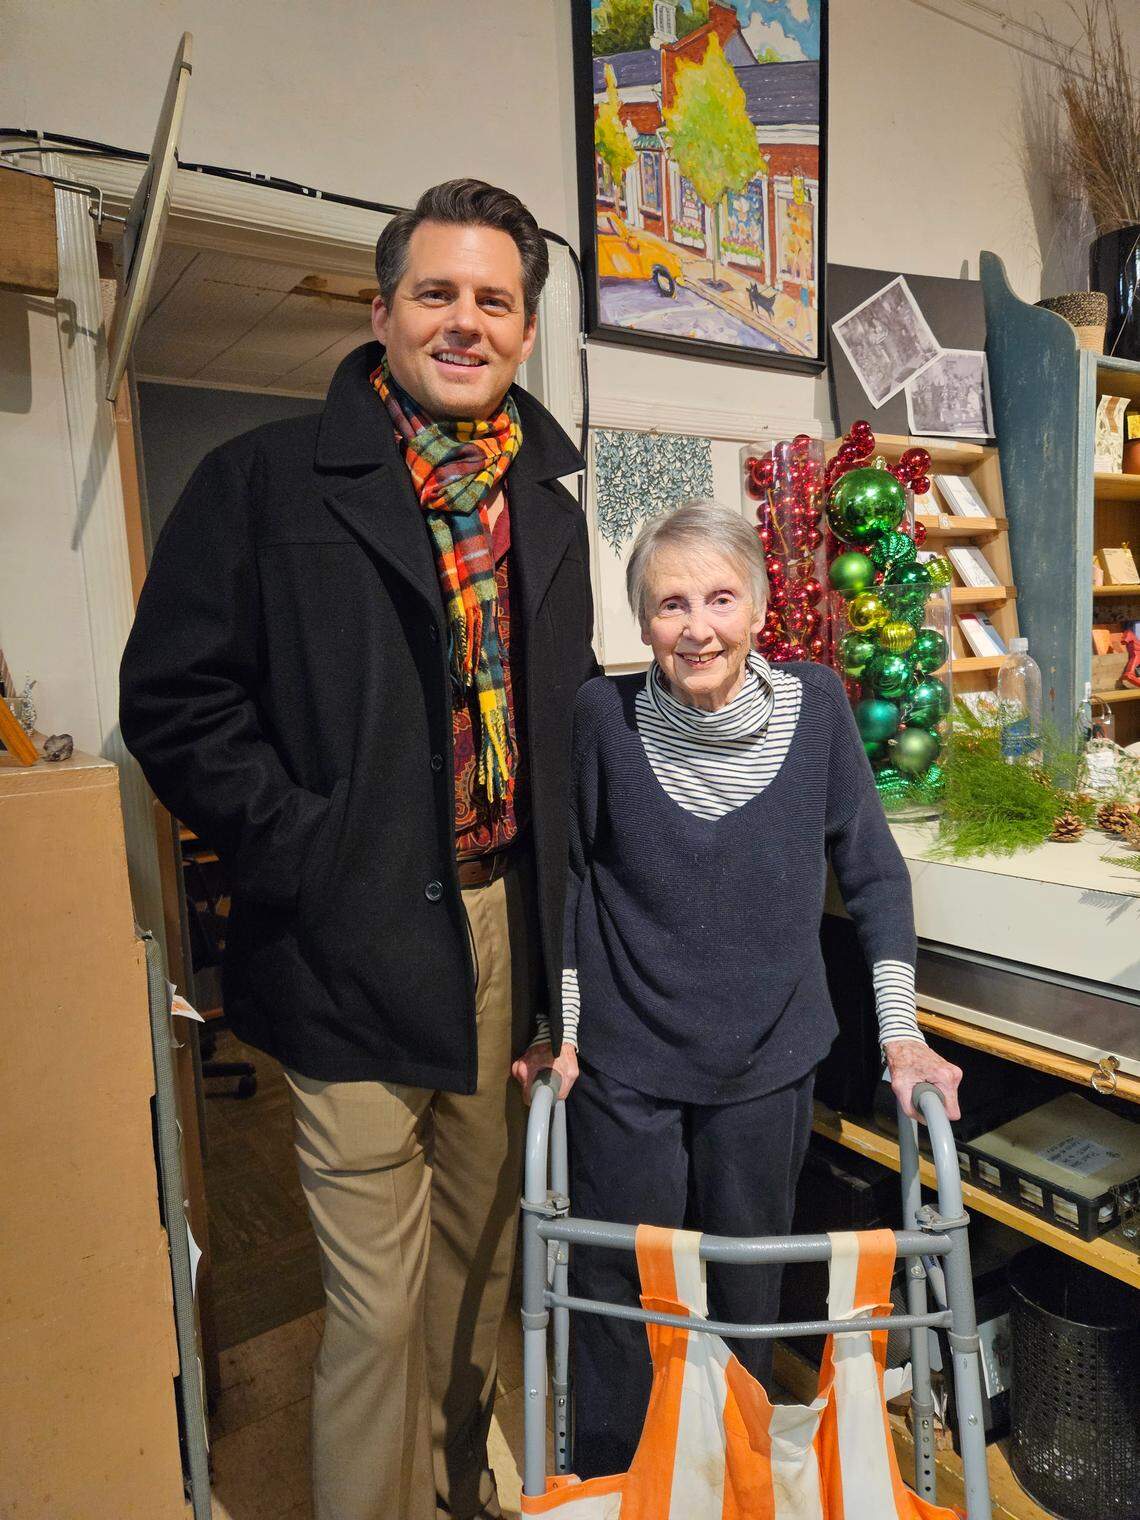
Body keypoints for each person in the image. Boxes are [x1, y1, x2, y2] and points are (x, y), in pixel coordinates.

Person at [120, 179, 595, 1520]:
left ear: (525, 327)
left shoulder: (549, 509)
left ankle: (463, 1484)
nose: (464, 321)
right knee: (377, 1310)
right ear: (381, 310)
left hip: (507, 932)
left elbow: (558, 745)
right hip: (347, 935)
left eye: (493, 299)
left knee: (481, 1266)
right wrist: (307, 852)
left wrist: (564, 970)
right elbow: (173, 701)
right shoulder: (262, 483)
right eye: (436, 292)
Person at [523, 500, 963, 1480]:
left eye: (721, 596)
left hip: (767, 1063)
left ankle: (731, 1481)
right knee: (623, 1293)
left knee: (745, 1293)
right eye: (671, 603)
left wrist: (902, 1035)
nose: (698, 626)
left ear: (761, 606)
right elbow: (575, 878)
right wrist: (565, 1030)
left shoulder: (817, 708)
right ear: (642, 622)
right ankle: (617, 1484)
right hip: (628, 1061)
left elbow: (875, 872)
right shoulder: (605, 715)